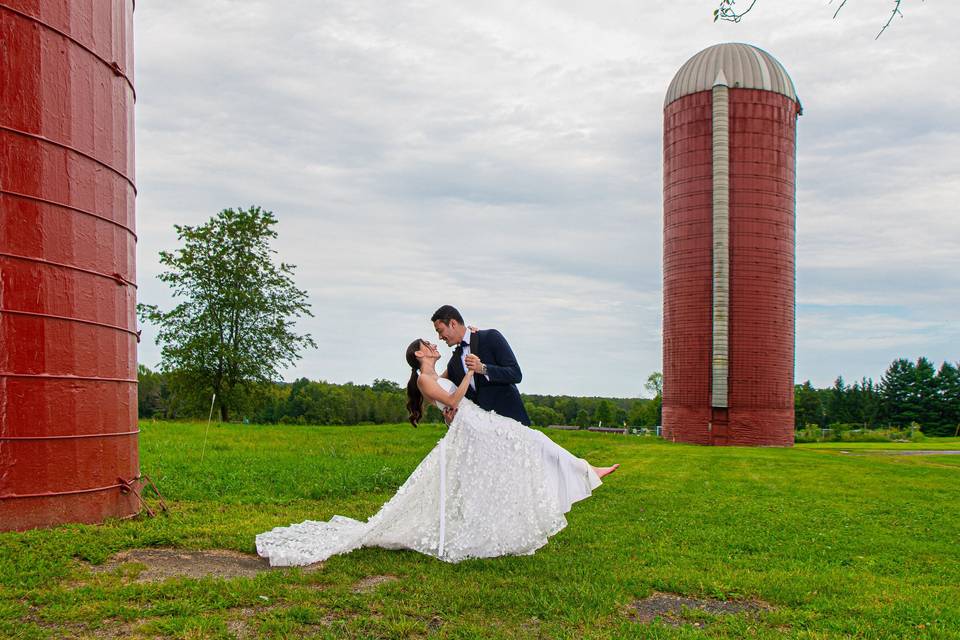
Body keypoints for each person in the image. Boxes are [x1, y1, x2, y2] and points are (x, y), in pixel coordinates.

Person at [255, 339, 619, 567]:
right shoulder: (423, 379)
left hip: (478, 423)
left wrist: (468, 351)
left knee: (528, 447)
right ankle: (584, 472)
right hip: (475, 425)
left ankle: (581, 472)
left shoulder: (437, 370)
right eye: (428, 343)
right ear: (417, 354)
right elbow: (453, 399)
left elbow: (453, 381)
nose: (434, 344)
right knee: (530, 444)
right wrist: (470, 375)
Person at [431, 304, 530, 425]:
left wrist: (483, 368)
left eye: (440, 331)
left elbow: (516, 374)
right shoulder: (453, 363)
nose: (440, 337)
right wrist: (449, 420)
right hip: (482, 431)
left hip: (513, 422)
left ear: (452, 323)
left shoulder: (490, 337)